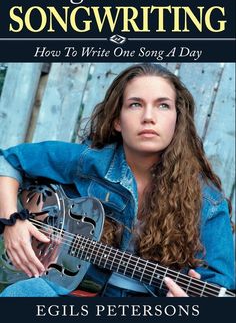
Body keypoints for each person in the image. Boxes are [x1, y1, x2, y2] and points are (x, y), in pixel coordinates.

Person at [0, 63, 234, 297]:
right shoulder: (89, 162)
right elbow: (8, 160)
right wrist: (13, 221)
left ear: (177, 120)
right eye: (135, 104)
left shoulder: (208, 202)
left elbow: (223, 290)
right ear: (117, 121)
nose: (149, 117)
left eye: (163, 105)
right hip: (69, 290)